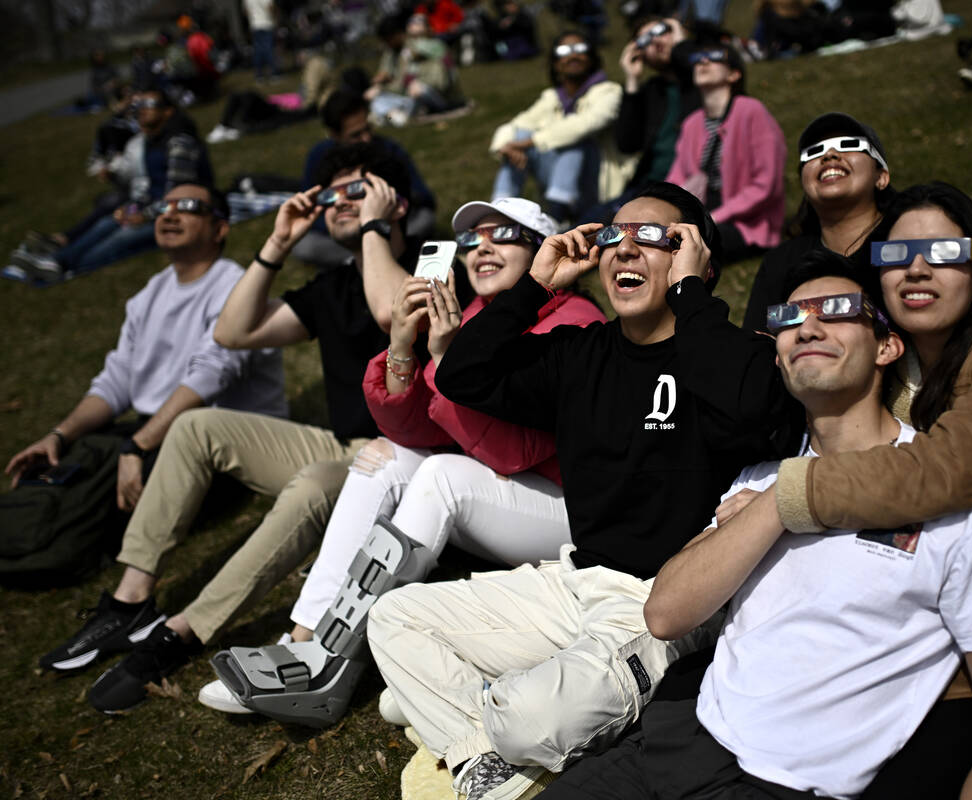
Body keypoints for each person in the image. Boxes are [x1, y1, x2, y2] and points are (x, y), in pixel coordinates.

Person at [543, 251, 972, 799]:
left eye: (836, 310)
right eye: (787, 318)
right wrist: (779, 501)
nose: (807, 325)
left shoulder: (958, 497)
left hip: (778, 787)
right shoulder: (760, 476)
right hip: (672, 744)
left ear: (887, 345)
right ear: (779, 356)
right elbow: (666, 612)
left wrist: (783, 499)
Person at [367, 182, 790, 800]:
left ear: (694, 258)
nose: (624, 250)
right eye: (614, 236)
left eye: (653, 238)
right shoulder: (579, 352)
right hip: (573, 581)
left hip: (661, 602)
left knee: (527, 718)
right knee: (394, 616)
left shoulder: (728, 355)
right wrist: (535, 286)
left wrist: (692, 297)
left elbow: (760, 408)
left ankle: (482, 716)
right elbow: (463, 373)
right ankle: (485, 762)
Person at [743, 181, 972, 797]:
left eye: (943, 251)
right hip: (910, 653)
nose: (916, 266)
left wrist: (786, 497)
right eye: (893, 255)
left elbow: (951, 468)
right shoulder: (896, 369)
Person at [37, 141, 425, 715]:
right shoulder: (334, 283)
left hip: (402, 455)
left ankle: (183, 630)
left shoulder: (432, 262)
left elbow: (392, 313)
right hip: (342, 444)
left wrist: (375, 228)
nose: (339, 203)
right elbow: (232, 333)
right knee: (196, 427)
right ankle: (131, 599)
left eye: (356, 190)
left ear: (393, 201)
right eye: (331, 194)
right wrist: (276, 244)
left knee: (319, 481)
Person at [197, 197, 607, 725]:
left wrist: (444, 358)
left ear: (542, 253)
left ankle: (329, 667)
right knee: (388, 459)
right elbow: (410, 428)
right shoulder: (475, 315)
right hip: (506, 493)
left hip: (572, 514)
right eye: (470, 240)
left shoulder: (572, 320)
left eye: (502, 235)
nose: (481, 247)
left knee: (442, 474)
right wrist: (401, 345)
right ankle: (304, 637)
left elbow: (515, 452)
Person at [2, 184, 285, 571]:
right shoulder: (150, 293)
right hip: (155, 429)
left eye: (187, 207)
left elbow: (212, 375)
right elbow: (116, 381)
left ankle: (54, 546)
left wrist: (136, 447)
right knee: (63, 460)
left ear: (220, 229)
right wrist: (60, 434)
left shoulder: (235, 288)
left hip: (222, 440)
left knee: (100, 492)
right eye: (162, 207)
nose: (169, 214)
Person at [13, 87, 213, 283]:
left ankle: (63, 264)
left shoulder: (179, 144)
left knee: (121, 237)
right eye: (138, 104)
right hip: (158, 209)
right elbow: (153, 190)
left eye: (149, 104)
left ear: (168, 111)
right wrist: (132, 209)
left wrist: (144, 215)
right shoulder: (153, 141)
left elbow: (178, 198)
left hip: (185, 215)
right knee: (107, 222)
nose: (141, 109)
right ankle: (57, 258)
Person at [742, 111, 893, 331]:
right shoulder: (780, 262)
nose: (829, 155)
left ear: (881, 177)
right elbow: (756, 345)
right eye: (814, 152)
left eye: (848, 145)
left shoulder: (905, 244)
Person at [489, 31, 632, 226]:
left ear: (591, 59)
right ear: (556, 63)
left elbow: (585, 124)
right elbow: (515, 125)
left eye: (580, 49)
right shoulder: (551, 97)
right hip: (557, 180)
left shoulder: (609, 91)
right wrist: (505, 147)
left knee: (575, 140)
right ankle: (497, 214)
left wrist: (530, 142)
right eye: (564, 51)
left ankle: (556, 216)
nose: (573, 55)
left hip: (597, 188)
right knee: (520, 136)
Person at [665, 42, 786, 264]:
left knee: (686, 244)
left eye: (714, 56)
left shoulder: (751, 111)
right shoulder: (692, 123)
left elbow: (766, 184)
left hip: (745, 223)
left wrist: (714, 218)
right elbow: (676, 179)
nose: (703, 62)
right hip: (701, 213)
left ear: (734, 74)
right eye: (698, 58)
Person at [292, 88, 437, 268]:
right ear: (334, 134)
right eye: (356, 135)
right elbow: (310, 210)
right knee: (305, 246)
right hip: (343, 232)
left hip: (388, 225)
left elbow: (423, 197)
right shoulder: (319, 157)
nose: (366, 139)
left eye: (368, 129)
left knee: (424, 220)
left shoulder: (388, 149)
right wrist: (348, 222)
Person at [583, 16, 700, 224]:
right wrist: (632, 81)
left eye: (663, 31)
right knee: (588, 224)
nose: (655, 41)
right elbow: (627, 144)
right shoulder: (651, 91)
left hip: (690, 184)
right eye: (645, 40)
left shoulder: (705, 79)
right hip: (648, 185)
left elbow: (698, 75)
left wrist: (682, 47)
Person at [366, 13, 466, 127]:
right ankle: (391, 116)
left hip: (431, 92)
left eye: (387, 39)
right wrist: (380, 82)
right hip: (406, 97)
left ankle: (390, 117)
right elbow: (386, 73)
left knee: (417, 89)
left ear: (397, 34)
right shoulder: (390, 52)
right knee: (376, 101)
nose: (386, 44)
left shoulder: (421, 46)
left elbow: (443, 63)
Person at [244, 0, 278, 82]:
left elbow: (246, 11)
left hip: (255, 25)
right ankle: (273, 74)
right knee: (269, 49)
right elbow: (271, 7)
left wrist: (251, 20)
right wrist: (274, 19)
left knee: (258, 51)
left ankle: (259, 75)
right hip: (266, 24)